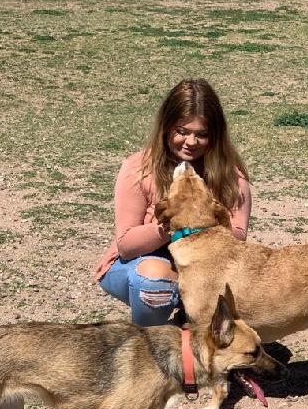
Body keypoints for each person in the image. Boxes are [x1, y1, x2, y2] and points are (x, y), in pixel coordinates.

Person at [95, 78, 251, 327]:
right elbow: (126, 244)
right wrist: (177, 224)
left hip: (202, 266)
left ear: (215, 135)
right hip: (138, 264)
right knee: (154, 283)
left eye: (202, 134)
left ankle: (190, 328)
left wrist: (200, 221)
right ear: (166, 128)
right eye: (182, 131)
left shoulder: (230, 174)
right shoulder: (139, 168)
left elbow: (238, 237)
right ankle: (149, 346)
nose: (191, 142)